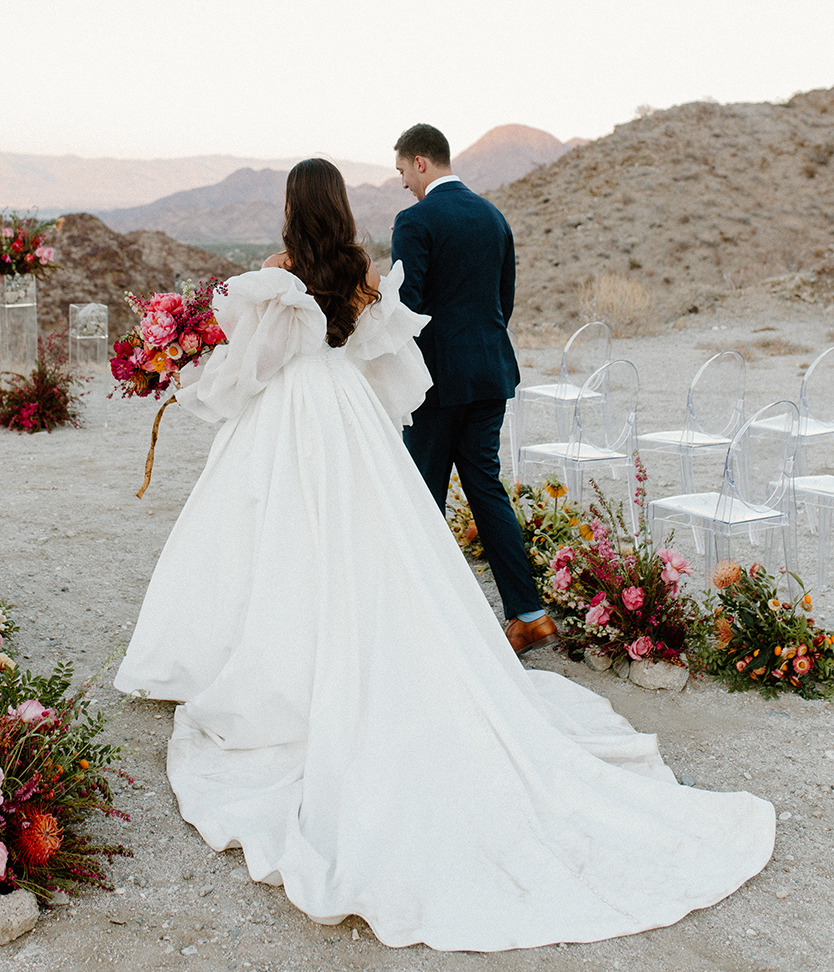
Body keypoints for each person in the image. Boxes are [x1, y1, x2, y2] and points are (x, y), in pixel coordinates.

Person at [114, 158, 774, 952]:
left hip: (293, 419)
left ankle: (269, 665)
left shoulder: (276, 276)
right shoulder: (359, 274)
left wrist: (192, 383)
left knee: (272, 545)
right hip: (346, 420)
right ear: (341, 208)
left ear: (293, 209)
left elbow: (251, 371)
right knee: (371, 545)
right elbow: (389, 366)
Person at [391, 124, 556, 656]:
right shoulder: (493, 215)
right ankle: (530, 615)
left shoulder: (415, 221)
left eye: (401, 173)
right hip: (490, 374)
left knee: (422, 497)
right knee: (486, 489)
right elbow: (502, 301)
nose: (402, 186)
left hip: (438, 382)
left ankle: (422, 620)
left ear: (420, 162)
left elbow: (406, 308)